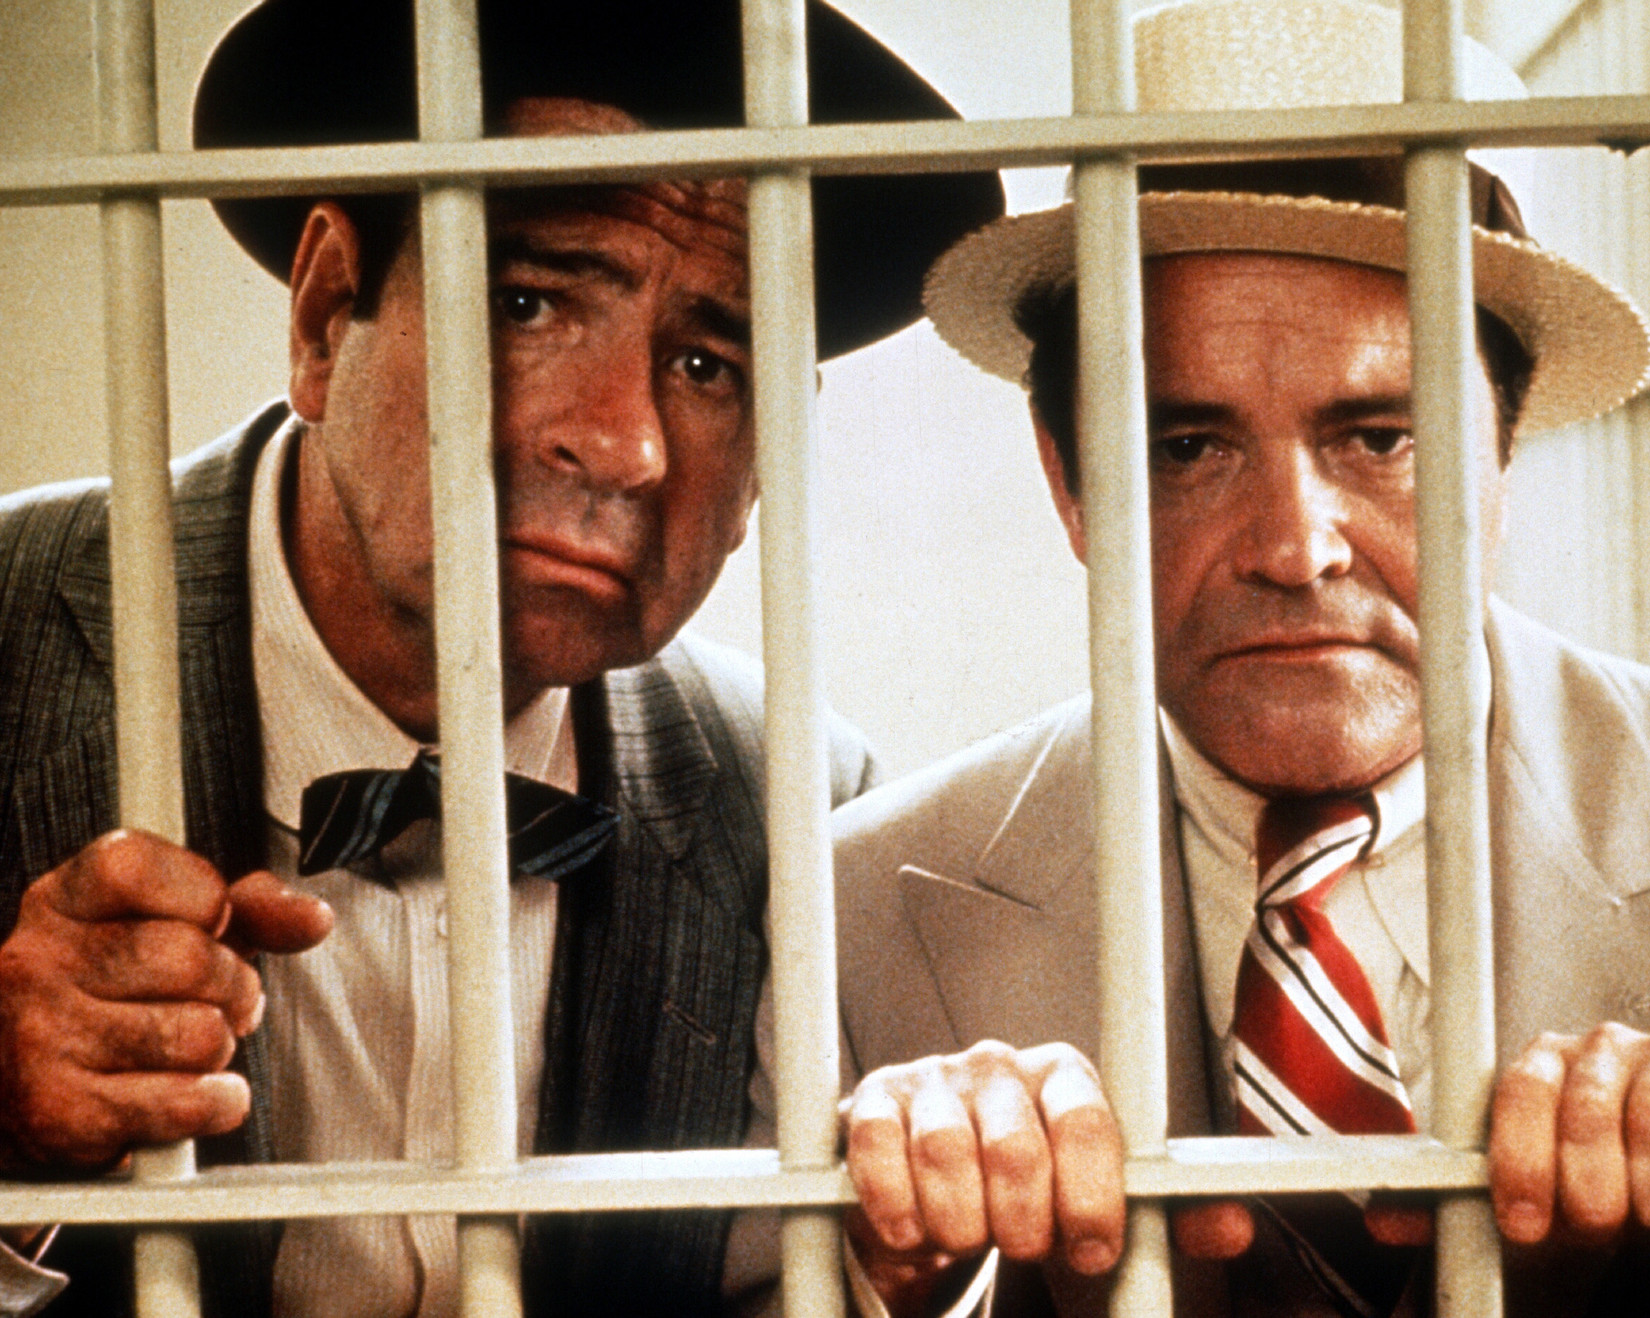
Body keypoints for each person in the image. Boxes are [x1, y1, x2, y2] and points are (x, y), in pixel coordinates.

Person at [828, 0, 1650, 1314]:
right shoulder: (855, 913)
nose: (1295, 545)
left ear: (1503, 451)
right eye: (1188, 447)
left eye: (1381, 438)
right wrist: (893, 1276)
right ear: (1069, 483)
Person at [0, 0, 1002, 1314]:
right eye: (529, 304)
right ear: (324, 313)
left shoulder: (804, 803)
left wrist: (904, 1258)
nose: (627, 445)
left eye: (710, 365)